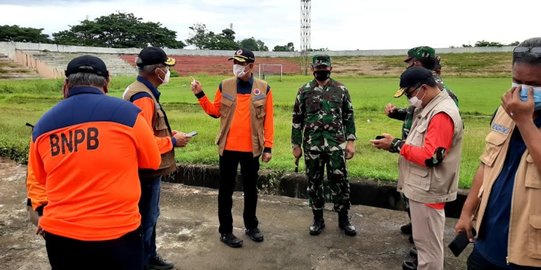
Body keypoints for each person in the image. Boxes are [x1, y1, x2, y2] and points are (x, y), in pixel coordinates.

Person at [26, 55, 161, 270]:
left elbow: (38, 180)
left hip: (61, 237)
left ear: (66, 85)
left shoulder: (42, 126)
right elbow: (152, 162)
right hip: (118, 234)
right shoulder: (131, 115)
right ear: (107, 81)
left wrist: (41, 213)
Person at [455, 37, 541, 269]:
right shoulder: (504, 112)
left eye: (533, 84)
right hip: (487, 244)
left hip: (529, 253)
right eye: (517, 80)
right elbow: (487, 164)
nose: (523, 91)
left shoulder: (517, 114)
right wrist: (467, 211)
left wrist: (525, 121)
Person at [371, 66, 463, 270]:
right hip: (423, 187)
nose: (409, 100)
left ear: (423, 88)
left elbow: (431, 157)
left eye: (410, 94)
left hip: (428, 190)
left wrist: (395, 144)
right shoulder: (429, 107)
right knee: (424, 245)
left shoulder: (441, 114)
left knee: (429, 251)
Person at [190, 48, 274, 248]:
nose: (236, 66)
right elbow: (215, 112)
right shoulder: (225, 85)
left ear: (251, 66)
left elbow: (268, 121)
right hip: (227, 148)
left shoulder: (264, 88)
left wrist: (268, 147)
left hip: (252, 149)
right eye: (234, 62)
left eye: (241, 63)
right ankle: (225, 231)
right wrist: (200, 94)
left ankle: (251, 226)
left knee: (250, 190)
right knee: (225, 191)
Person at [122, 47, 189, 270]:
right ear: (157, 71)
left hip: (144, 168)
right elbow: (141, 140)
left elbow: (147, 130)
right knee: (146, 219)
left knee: (150, 216)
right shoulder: (143, 97)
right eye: (166, 68)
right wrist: (172, 142)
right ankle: (143, 261)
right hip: (146, 170)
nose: (168, 72)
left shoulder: (140, 90)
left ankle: (149, 256)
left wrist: (169, 135)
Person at [385, 46, 459, 248]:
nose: (408, 64)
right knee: (413, 200)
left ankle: (420, 246)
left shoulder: (440, 94)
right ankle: (416, 225)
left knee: (428, 240)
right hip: (412, 153)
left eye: (410, 62)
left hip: (426, 166)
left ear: (417, 63)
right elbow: (414, 112)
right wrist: (396, 114)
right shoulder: (424, 88)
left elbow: (434, 153)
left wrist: (395, 144)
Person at [291, 54, 357, 237]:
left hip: (336, 146)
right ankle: (317, 218)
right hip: (313, 146)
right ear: (312, 69)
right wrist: (296, 144)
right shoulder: (304, 90)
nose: (321, 71)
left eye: (324, 69)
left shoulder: (341, 89)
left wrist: (351, 142)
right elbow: (297, 119)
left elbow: (348, 116)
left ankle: (344, 219)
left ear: (330, 69)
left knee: (340, 181)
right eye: (318, 69)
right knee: (314, 183)